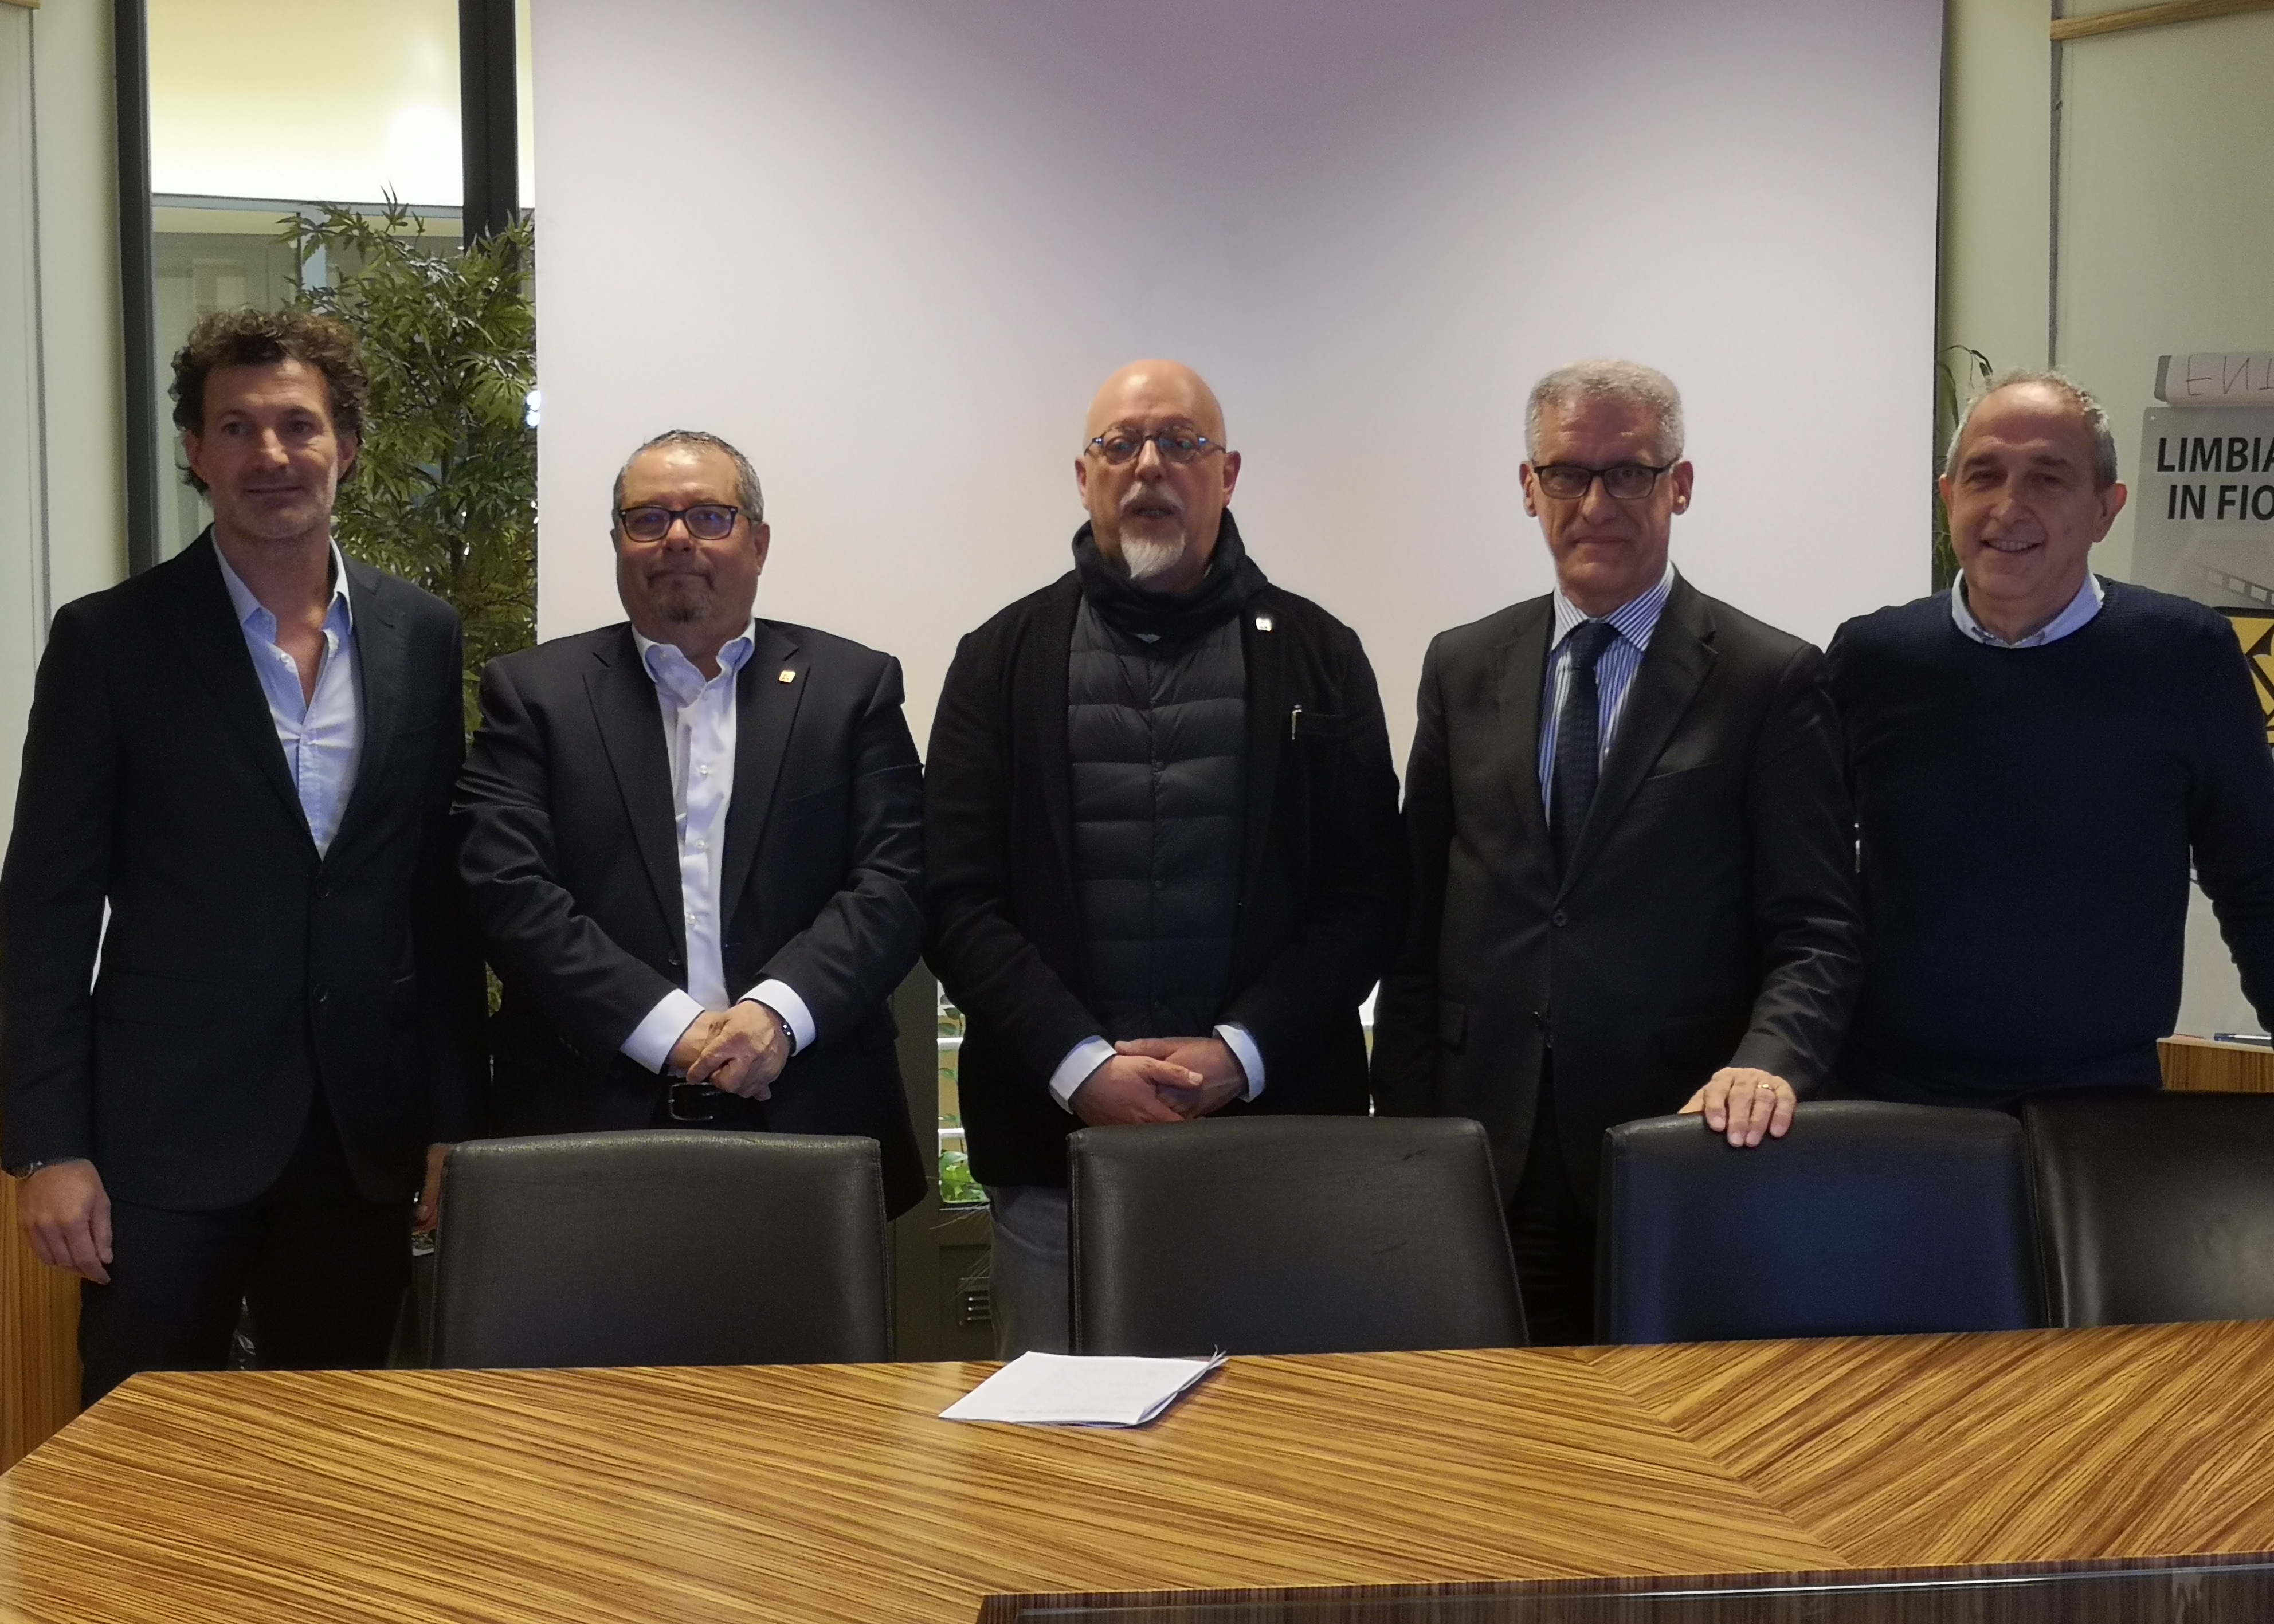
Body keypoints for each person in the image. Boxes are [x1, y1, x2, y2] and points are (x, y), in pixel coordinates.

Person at [1, 307, 485, 1405]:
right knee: (140, 1449)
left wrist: (453, 1126)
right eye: (237, 427)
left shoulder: (422, 633)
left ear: (345, 446)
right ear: (197, 451)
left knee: (335, 1449)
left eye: (298, 425)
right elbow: (45, 911)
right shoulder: (109, 641)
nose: (272, 454)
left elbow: (436, 903)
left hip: (361, 1142)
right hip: (163, 1144)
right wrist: (48, 1147)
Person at [1371, 358, 1862, 1345]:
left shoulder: (1768, 678)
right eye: (1566, 473)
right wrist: (1411, 1129)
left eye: (1628, 473)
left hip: (1684, 1140)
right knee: (1494, 1421)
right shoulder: (1461, 665)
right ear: (1529, 487)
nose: (1595, 503)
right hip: (1485, 1145)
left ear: (1679, 485)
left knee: (1677, 1420)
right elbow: (1417, 918)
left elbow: (1816, 927)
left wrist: (1767, 1065)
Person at [925, 359, 1405, 1354]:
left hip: (1275, 1150)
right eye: (1120, 444)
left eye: (1181, 443)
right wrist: (1081, 1067)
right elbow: (955, 899)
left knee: (1278, 1435)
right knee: (1060, 1443)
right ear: (1084, 476)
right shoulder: (999, 658)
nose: (1149, 465)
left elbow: (1367, 895)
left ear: (1227, 473)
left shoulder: (1320, 654)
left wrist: (1240, 1055)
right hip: (1054, 1159)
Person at [454, 429, 927, 1214]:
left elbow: (895, 882)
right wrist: (670, 1028)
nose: (677, 537)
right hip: (586, 1123)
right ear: (618, 543)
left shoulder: (852, 688)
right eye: (648, 519)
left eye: (709, 515)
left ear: (758, 543)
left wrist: (775, 1017)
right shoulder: (534, 695)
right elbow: (505, 889)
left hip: (813, 1116)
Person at [1828, 371, 2274, 1106]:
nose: (2008, 507)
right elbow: (1801, 888)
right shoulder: (1872, 659)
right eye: (1983, 475)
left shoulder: (2185, 657)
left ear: (2105, 509)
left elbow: (2256, 882)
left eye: (2047, 477)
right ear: (1948, 497)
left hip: (2098, 1108)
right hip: (1885, 1103)